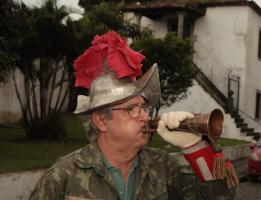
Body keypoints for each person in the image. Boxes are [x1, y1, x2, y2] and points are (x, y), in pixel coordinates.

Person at [30, 31, 235, 200]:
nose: (144, 116)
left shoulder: (163, 167)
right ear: (101, 120)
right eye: (131, 109)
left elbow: (222, 196)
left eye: (143, 108)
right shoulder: (64, 173)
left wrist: (195, 147)